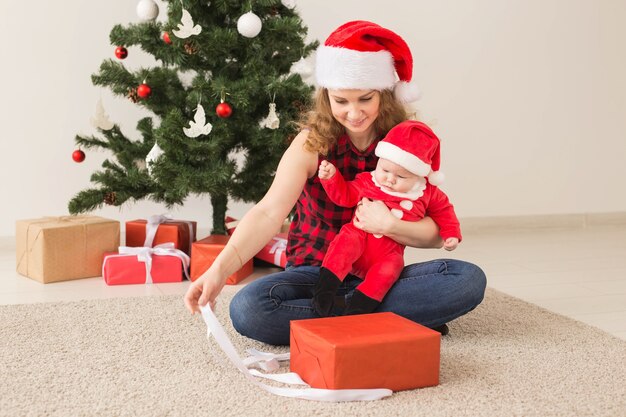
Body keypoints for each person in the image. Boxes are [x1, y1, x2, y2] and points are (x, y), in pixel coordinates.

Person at [184, 20, 486, 345]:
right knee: (248, 308)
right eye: (341, 101)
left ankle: (346, 316)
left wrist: (389, 224)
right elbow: (270, 212)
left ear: (383, 95)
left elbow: (437, 232)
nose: (354, 113)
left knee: (466, 279)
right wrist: (216, 271)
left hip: (378, 275)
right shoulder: (310, 144)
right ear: (326, 97)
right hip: (315, 274)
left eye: (365, 99)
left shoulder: (405, 145)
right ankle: (384, 317)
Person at [313, 120, 462, 317]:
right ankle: (324, 292)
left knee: (392, 267)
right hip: (360, 237)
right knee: (345, 242)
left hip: (387, 253)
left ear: (419, 176)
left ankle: (358, 310)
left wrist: (451, 234)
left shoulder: (427, 193)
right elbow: (345, 195)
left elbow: (444, 211)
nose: (390, 179)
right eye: (385, 170)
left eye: (401, 177)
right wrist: (331, 179)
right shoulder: (370, 180)